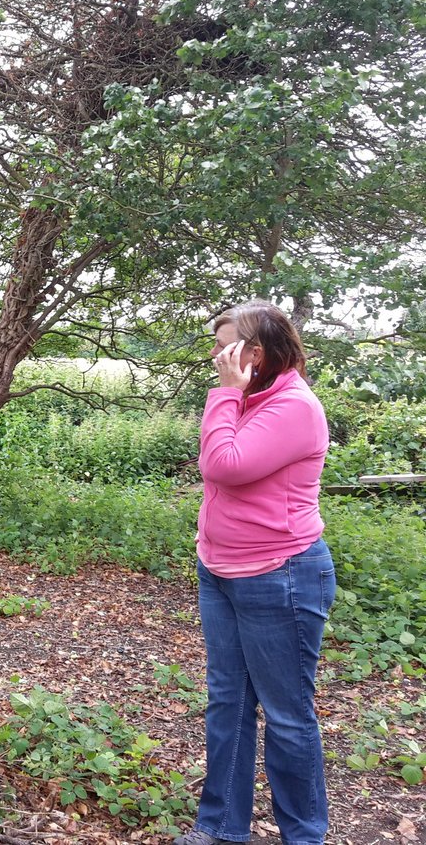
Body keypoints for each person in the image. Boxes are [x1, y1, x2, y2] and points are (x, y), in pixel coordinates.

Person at [176, 301, 335, 845]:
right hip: (220, 569)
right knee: (229, 702)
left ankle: (305, 835)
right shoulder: (249, 398)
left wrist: (222, 395)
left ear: (257, 353)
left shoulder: (292, 405)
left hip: (280, 574)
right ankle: (221, 828)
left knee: (287, 715)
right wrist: (229, 396)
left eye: (227, 346)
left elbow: (225, 465)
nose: (217, 356)